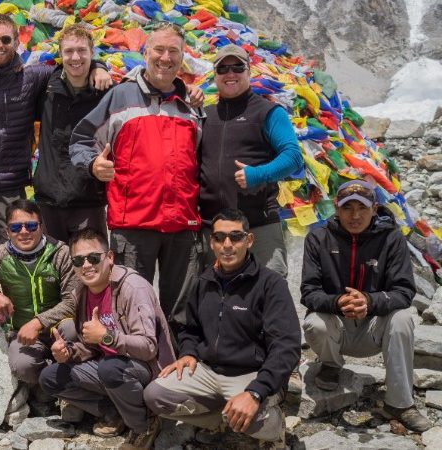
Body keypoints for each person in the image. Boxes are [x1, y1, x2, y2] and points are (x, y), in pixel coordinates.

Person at [69, 22, 203, 324]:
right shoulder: (121, 97)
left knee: (180, 310)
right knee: (130, 303)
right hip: (133, 223)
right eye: (159, 49)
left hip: (183, 223)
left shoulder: (191, 106)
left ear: (183, 57)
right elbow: (80, 140)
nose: (165, 58)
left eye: (174, 51)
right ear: (145, 52)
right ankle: (135, 365)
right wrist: (92, 164)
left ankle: (176, 364)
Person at [0, 13, 111, 267]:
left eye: (5, 39)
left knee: (11, 261)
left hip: (12, 186)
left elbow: (72, 66)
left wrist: (99, 65)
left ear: (17, 41)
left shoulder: (33, 78)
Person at [144, 209, 300, 448]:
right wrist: (188, 352)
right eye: (220, 237)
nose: (227, 244)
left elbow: (286, 346)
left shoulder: (271, 284)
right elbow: (190, 328)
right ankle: (224, 419)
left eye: (236, 237)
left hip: (252, 373)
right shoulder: (203, 281)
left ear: (249, 240)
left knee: (255, 417)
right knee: (155, 396)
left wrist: (257, 392)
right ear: (212, 242)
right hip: (210, 372)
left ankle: (273, 427)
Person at [301, 180, 432, 432]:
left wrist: (369, 301)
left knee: (403, 318)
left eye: (361, 208)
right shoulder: (318, 239)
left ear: (374, 208)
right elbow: (309, 291)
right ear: (336, 209)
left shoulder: (391, 239)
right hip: (336, 327)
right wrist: (338, 301)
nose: (355, 215)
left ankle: (400, 402)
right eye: (347, 208)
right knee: (314, 321)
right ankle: (330, 365)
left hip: (374, 327)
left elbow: (404, 291)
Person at [38, 228, 174, 450]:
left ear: (109, 257)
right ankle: (114, 412)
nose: (86, 265)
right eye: (78, 260)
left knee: (110, 369)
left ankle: (143, 425)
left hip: (147, 368)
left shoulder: (132, 287)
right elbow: (90, 346)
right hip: (109, 364)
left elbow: (149, 347)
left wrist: (107, 337)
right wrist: (68, 352)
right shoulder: (82, 292)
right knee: (50, 377)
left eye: (93, 258)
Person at [198, 44, 303, 278]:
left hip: (258, 225)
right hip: (213, 229)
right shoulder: (205, 114)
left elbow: (293, 156)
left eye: (238, 67)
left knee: (268, 295)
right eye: (223, 69)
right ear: (214, 75)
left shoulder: (267, 112)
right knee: (214, 299)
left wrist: (258, 174)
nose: (230, 74)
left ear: (249, 71)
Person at [0, 199, 79, 383]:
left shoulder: (61, 252)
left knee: (72, 330)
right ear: (7, 231)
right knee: (22, 366)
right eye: (16, 227)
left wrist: (38, 322)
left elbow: (72, 302)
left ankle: (71, 382)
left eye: (31, 226)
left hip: (59, 326)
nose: (24, 232)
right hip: (22, 333)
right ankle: (48, 387)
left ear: (41, 227)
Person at [32, 23, 109, 241]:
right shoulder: (46, 90)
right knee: (52, 271)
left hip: (89, 200)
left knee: (90, 269)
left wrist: (100, 66)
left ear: (92, 53)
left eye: (82, 51)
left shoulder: (106, 93)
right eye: (69, 51)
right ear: (60, 55)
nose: (76, 57)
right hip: (48, 201)